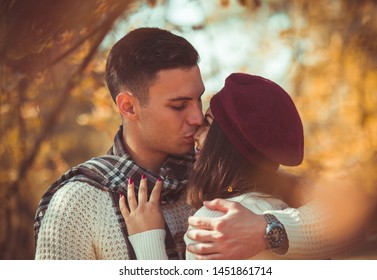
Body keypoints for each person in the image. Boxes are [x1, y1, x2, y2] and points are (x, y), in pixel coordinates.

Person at [34, 27, 360, 260]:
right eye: (178, 105)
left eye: (199, 99)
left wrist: (266, 229)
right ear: (129, 107)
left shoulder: (220, 176)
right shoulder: (77, 204)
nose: (197, 117)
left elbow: (342, 210)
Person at [119, 73, 364, 260]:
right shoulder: (289, 205)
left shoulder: (215, 222)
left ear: (227, 143)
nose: (196, 131)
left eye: (208, 123)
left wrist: (147, 239)